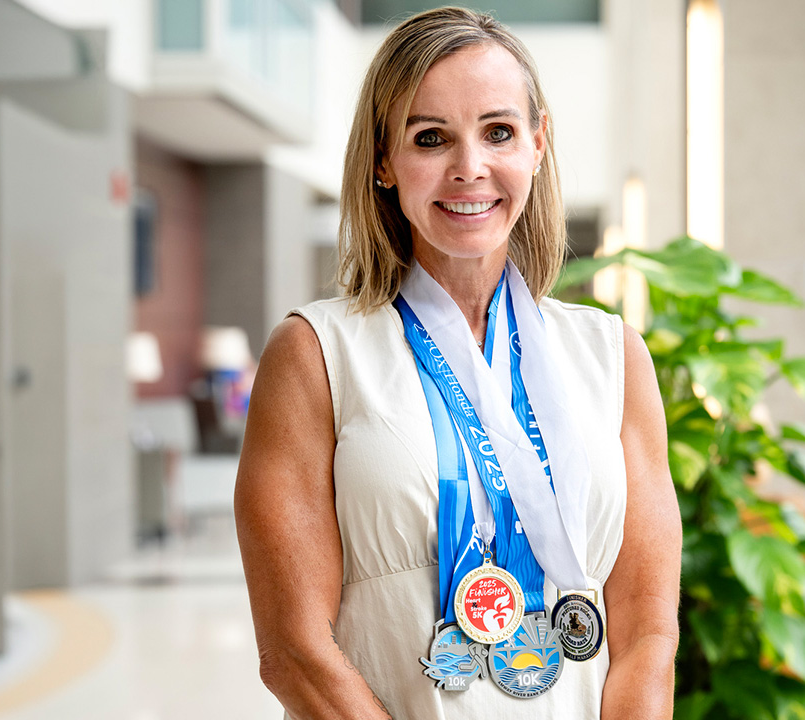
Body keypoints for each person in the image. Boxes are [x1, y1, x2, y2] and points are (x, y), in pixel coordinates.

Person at [234, 7, 681, 720]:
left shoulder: (612, 356)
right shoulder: (316, 355)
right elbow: (293, 651)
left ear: (538, 145)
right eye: (431, 137)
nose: (469, 167)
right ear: (384, 160)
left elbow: (646, 637)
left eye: (498, 132)